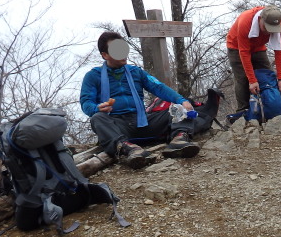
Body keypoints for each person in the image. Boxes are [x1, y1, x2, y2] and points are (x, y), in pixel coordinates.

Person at [80, 31, 202, 169]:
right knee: (97, 118)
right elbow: (86, 103)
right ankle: (128, 149)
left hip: (142, 121)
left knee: (181, 109)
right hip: (117, 125)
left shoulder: (136, 72)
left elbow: (159, 87)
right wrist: (97, 108)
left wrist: (181, 100)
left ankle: (179, 139)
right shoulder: (92, 76)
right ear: (105, 55)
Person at [226, 5, 281, 114]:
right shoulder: (245, 21)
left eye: (272, 29)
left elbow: (280, 50)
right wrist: (252, 81)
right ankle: (243, 112)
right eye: (266, 28)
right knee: (243, 79)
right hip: (236, 47)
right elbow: (244, 52)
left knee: (268, 75)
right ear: (260, 20)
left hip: (259, 47)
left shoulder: (280, 24)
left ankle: (270, 109)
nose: (269, 32)